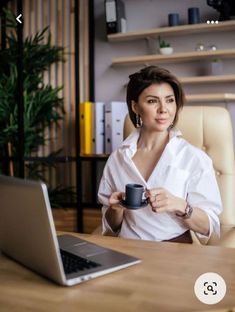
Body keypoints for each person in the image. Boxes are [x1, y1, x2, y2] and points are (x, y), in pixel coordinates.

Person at [98, 66, 222, 244]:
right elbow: (111, 226)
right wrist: (116, 210)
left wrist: (181, 206)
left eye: (170, 100)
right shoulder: (117, 159)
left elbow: (210, 227)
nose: (163, 109)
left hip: (173, 251)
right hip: (127, 248)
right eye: (152, 101)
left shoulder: (194, 158)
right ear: (135, 107)